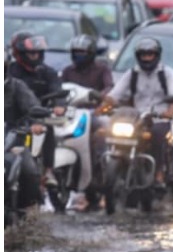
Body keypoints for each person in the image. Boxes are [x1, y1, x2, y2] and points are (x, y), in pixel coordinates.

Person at [101, 37, 173, 187]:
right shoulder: (132, 73)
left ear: (157, 56)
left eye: (150, 55)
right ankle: (108, 172)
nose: (147, 58)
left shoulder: (167, 73)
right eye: (143, 55)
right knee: (110, 132)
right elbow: (115, 94)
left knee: (156, 135)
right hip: (136, 118)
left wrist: (169, 112)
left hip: (159, 118)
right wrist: (104, 106)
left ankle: (159, 173)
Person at [61, 34, 115, 211]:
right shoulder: (68, 71)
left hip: (93, 111)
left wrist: (101, 97)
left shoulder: (102, 70)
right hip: (71, 112)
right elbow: (59, 88)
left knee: (100, 134)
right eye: (76, 52)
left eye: (83, 52)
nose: (79, 56)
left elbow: (109, 87)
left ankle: (99, 165)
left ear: (91, 53)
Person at [9, 32, 65, 187]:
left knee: (49, 128)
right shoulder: (11, 73)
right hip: (13, 118)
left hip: (41, 115)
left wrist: (59, 105)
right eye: (30, 53)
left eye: (37, 53)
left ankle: (48, 169)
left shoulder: (47, 72)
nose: (34, 56)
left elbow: (57, 88)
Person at [5, 50, 45, 211]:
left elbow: (32, 106)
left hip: (12, 139)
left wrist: (36, 122)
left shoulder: (16, 86)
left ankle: (27, 208)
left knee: (29, 171)